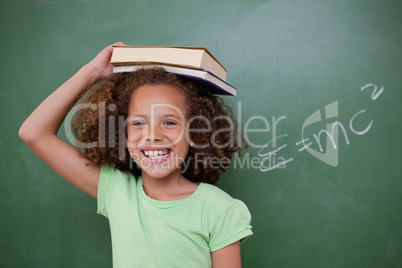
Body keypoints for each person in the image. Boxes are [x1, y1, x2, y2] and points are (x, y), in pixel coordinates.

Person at [19, 42, 252, 268]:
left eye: (169, 122)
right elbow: (33, 133)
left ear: (195, 133)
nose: (152, 135)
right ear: (123, 133)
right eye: (139, 122)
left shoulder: (220, 209)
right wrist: (93, 72)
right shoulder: (116, 190)